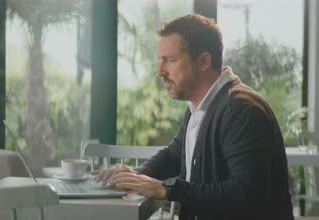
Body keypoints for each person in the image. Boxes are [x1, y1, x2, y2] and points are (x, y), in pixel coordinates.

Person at [94, 14, 294, 220]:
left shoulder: (240, 108)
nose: (160, 71)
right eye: (160, 61)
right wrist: (135, 175)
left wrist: (169, 189)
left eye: (170, 60)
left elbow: (247, 193)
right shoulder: (199, 106)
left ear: (204, 61)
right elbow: (173, 155)